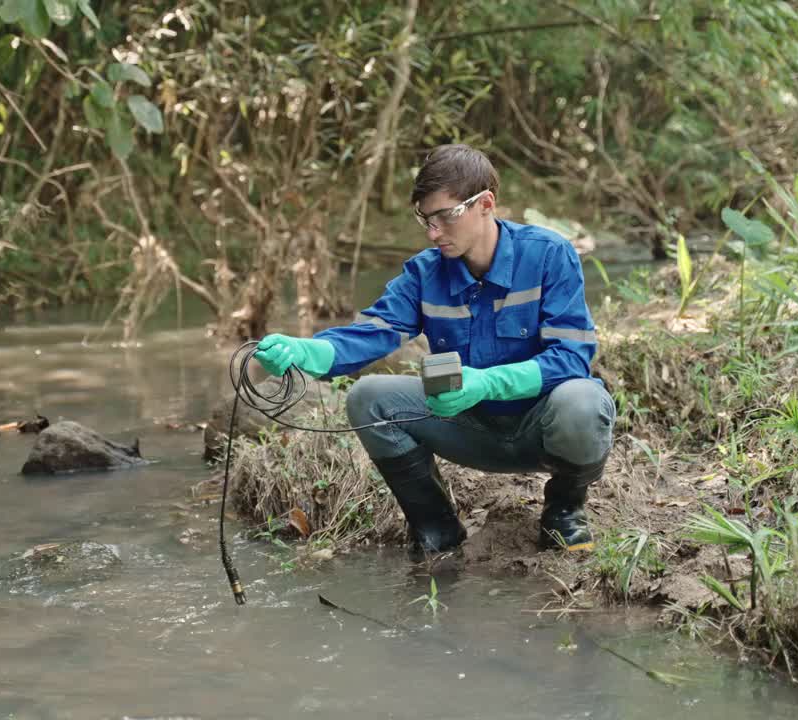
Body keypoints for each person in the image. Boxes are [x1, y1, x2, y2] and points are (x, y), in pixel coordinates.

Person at [253, 144, 614, 553]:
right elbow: (372, 333)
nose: (432, 232)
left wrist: (487, 382)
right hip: (469, 429)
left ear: (486, 204)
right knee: (367, 397)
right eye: (426, 218)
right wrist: (305, 352)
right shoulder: (425, 273)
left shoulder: (549, 254)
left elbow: (571, 358)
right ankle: (436, 526)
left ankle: (564, 511)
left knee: (583, 399)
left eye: (445, 216)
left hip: (542, 430)